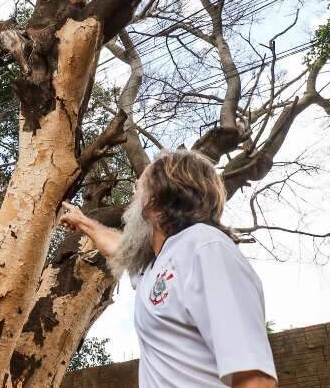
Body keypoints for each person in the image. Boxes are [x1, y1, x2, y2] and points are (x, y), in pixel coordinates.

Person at [59, 150, 278, 388]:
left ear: (156, 197)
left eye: (138, 187)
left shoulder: (205, 247)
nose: (133, 196)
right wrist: (83, 222)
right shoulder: (154, 264)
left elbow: (255, 378)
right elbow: (118, 247)